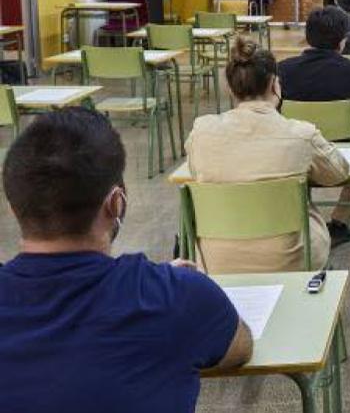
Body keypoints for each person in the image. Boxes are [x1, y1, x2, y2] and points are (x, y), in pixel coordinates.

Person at [0, 109, 254, 412]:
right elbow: (239, 347)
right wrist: (165, 285)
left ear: (15, 210)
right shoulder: (179, 297)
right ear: (116, 204)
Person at [186, 36, 350, 261]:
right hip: (291, 258)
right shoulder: (301, 135)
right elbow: (339, 173)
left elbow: (195, 170)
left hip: (214, 259)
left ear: (230, 88)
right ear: (274, 84)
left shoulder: (201, 132)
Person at [278, 6, 350, 124]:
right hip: (346, 140)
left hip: (298, 139)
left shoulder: (282, 69)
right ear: (342, 41)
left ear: (307, 37)